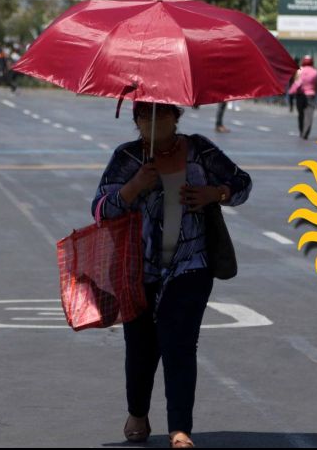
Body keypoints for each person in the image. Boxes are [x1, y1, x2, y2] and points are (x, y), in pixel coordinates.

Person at [92, 101, 252, 448]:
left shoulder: (200, 150)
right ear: (135, 120)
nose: (152, 120)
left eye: (162, 113)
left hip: (191, 264)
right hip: (138, 268)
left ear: (176, 117)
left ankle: (180, 428)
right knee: (140, 346)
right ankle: (137, 412)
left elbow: (242, 183)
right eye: (144, 114)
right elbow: (100, 210)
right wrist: (132, 187)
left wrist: (215, 193)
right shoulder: (127, 158)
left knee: (180, 345)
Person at [288, 55, 317, 140]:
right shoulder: (315, 72)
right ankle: (306, 131)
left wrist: (291, 92)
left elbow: (297, 83)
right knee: (309, 115)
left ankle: (301, 130)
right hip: (311, 95)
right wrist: (315, 91)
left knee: (301, 114)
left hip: (300, 95)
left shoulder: (299, 71)